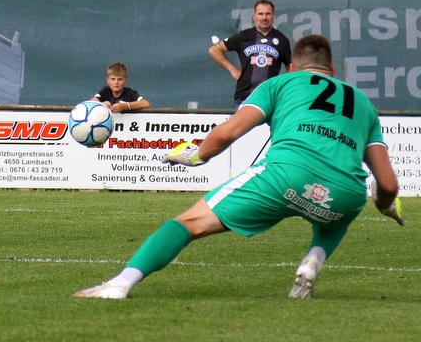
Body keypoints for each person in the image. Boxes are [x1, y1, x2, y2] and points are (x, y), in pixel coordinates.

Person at [77, 34, 403, 301]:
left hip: (285, 176)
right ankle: (314, 259)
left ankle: (121, 284)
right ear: (331, 69)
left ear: (291, 67)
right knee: (336, 216)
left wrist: (197, 156)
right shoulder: (363, 104)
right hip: (346, 193)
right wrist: (385, 205)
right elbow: (387, 183)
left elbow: (229, 132)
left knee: (187, 223)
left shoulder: (280, 85)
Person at [209, 0, 292, 107]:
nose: (264, 17)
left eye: (268, 14)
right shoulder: (244, 36)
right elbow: (214, 50)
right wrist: (232, 69)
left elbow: (290, 67)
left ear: (274, 16)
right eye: (260, 14)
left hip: (270, 98)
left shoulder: (282, 40)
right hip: (244, 98)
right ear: (254, 16)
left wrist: (285, 90)